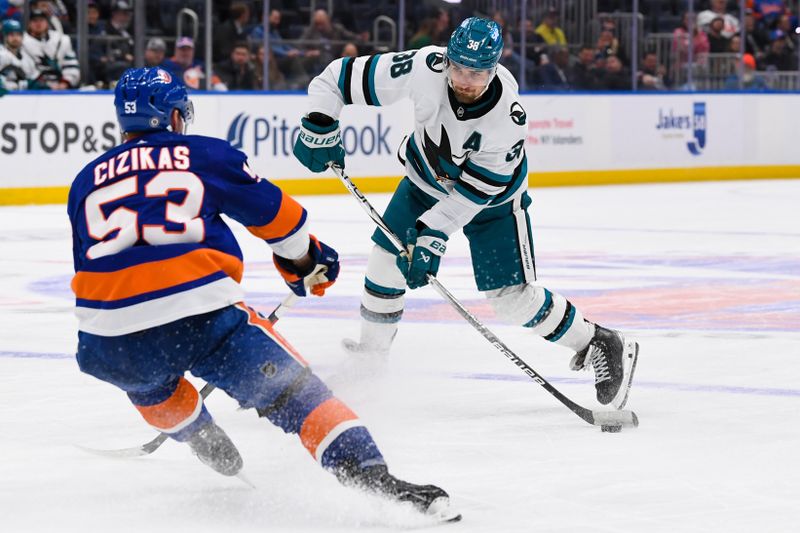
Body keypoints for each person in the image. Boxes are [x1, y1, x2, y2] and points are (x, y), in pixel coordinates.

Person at [67, 67, 459, 522]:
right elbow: (283, 223)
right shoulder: (204, 155)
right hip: (201, 320)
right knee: (297, 396)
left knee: (144, 373)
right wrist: (305, 261)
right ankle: (372, 476)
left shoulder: (84, 180)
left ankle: (197, 433)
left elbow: (104, 262)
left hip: (103, 341)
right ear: (175, 117)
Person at [292, 17, 639, 410]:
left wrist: (432, 237)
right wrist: (319, 125)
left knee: (511, 299)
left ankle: (598, 341)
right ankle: (369, 365)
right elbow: (337, 78)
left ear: (494, 68)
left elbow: (473, 195)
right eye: (458, 67)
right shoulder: (425, 67)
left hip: (493, 205)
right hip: (424, 184)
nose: (464, 80)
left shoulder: (507, 120)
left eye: (477, 72)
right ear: (447, 59)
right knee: (384, 264)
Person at [22, 8, 79, 89]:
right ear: (29, 24)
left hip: (60, 86)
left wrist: (65, 83)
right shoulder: (21, 42)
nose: (38, 24)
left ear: (47, 23)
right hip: (34, 88)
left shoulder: (61, 40)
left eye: (41, 20)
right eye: (35, 21)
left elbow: (71, 65)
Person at [0, 18, 39, 91]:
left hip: (23, 98)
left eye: (18, 35)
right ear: (4, 37)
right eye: (11, 35)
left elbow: (34, 79)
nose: (15, 38)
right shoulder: (1, 54)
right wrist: (13, 85)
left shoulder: (27, 56)